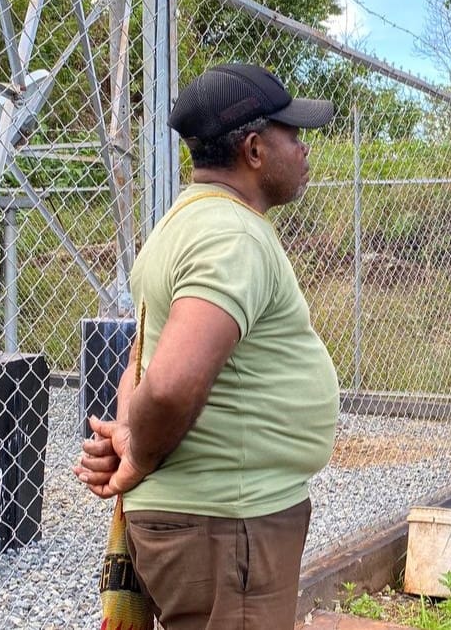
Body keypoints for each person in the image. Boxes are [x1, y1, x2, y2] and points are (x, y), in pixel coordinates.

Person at [74, 63, 340, 629]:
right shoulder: (231, 237)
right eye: (292, 133)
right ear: (253, 149)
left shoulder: (183, 223)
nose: (303, 148)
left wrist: (128, 436)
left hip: (215, 523)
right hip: (226, 525)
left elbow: (140, 366)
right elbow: (168, 386)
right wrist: (138, 457)